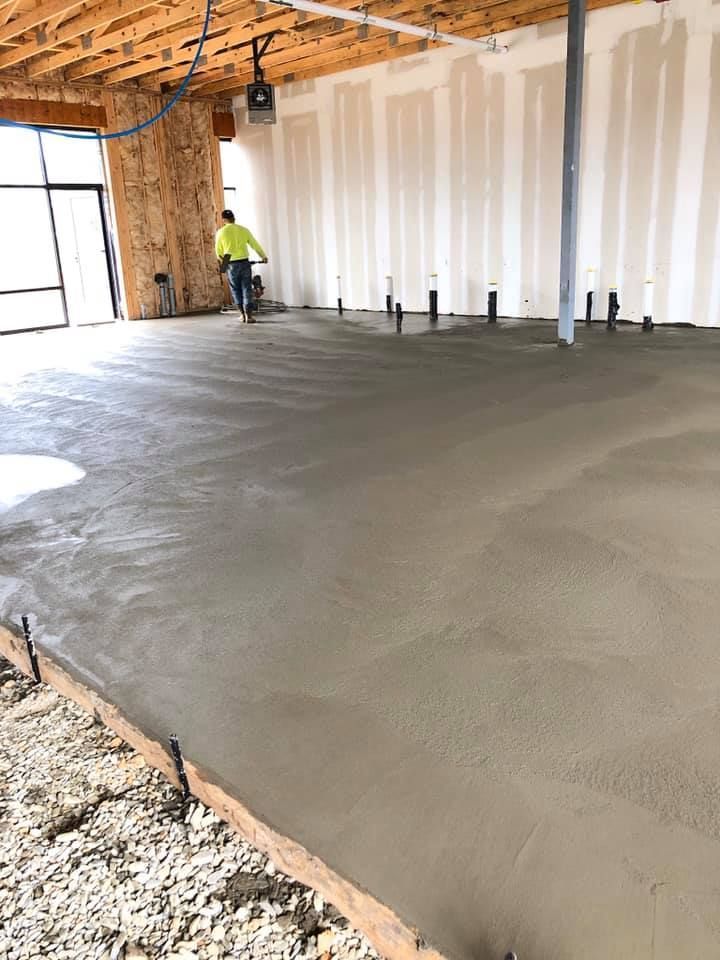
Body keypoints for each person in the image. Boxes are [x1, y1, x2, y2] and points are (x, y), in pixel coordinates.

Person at [215, 210, 268, 323]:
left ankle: (242, 315)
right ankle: (249, 316)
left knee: (235, 289)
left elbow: (218, 251)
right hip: (244, 262)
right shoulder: (244, 230)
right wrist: (263, 256)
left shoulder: (220, 232)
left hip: (230, 263)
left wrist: (223, 263)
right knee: (246, 288)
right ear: (234, 218)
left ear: (223, 220)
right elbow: (255, 244)